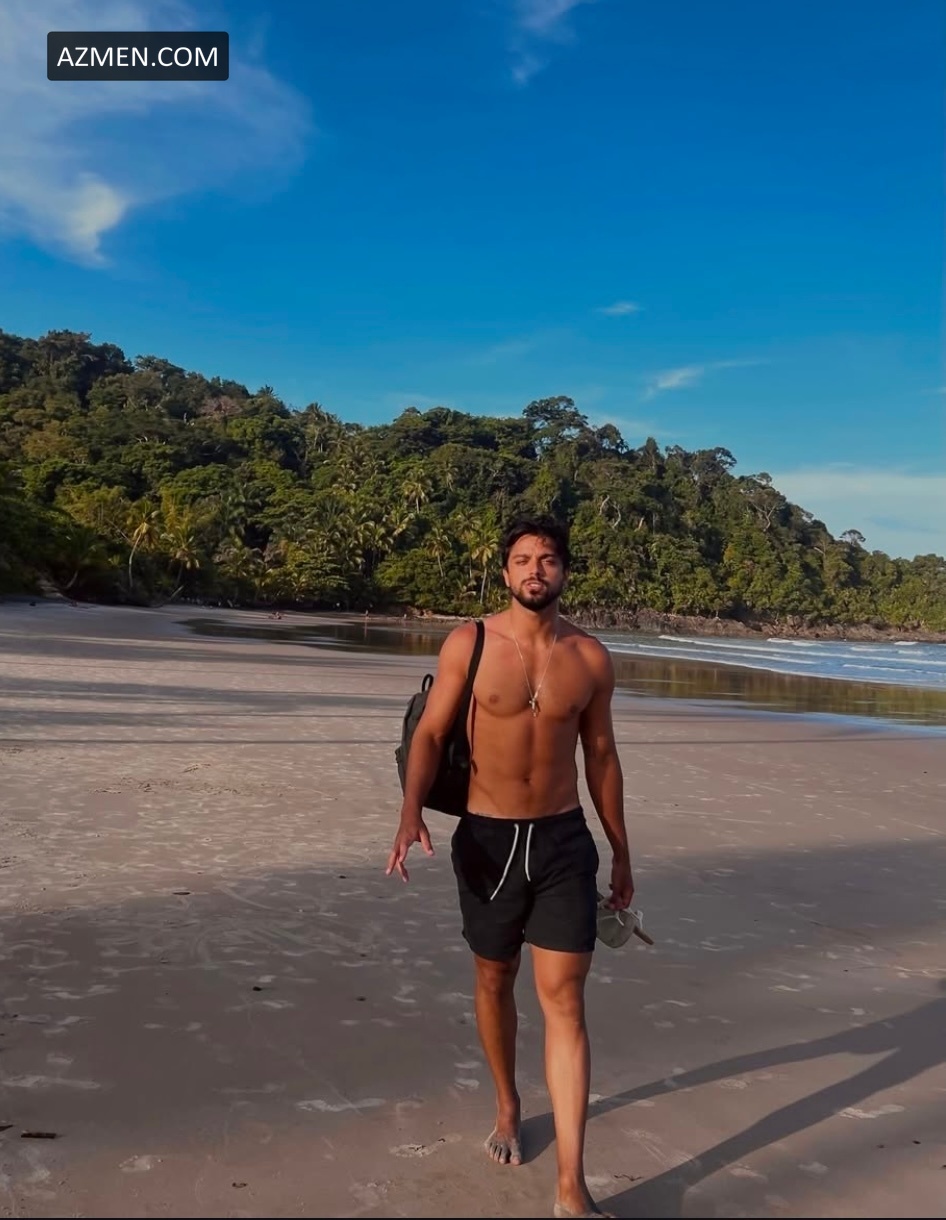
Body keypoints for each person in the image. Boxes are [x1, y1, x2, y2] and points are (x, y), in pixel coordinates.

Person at [386, 513, 634, 1219]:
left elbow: (602, 756)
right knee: (495, 979)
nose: (535, 571)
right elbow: (431, 733)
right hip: (487, 841)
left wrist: (621, 849)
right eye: (522, 560)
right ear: (504, 572)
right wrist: (409, 812)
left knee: (565, 1001)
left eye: (547, 560)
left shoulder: (590, 658)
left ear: (565, 571)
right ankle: (506, 1103)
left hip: (562, 841)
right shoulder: (470, 643)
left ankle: (571, 1187)